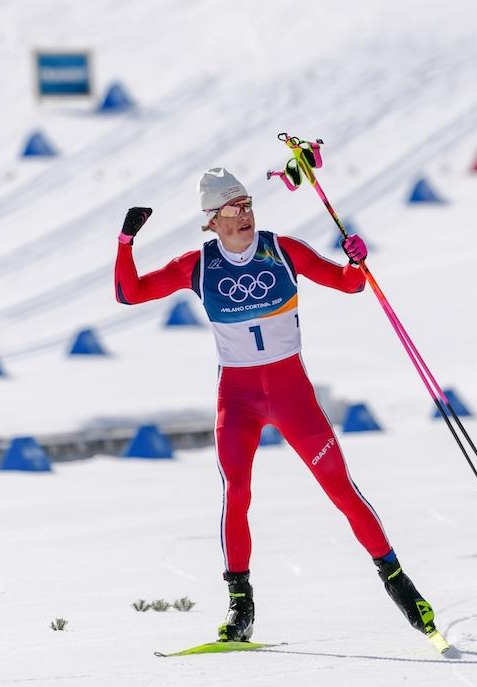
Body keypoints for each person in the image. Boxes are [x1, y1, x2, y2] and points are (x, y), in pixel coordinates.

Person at [113, 167, 439, 646]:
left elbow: (349, 284)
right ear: (212, 220)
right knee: (236, 495)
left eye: (248, 204)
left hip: (292, 395)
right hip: (238, 399)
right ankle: (240, 606)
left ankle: (400, 585)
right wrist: (126, 241)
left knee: (341, 489)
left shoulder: (283, 251)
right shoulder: (197, 266)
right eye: (233, 208)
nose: (245, 214)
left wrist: (357, 260)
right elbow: (129, 293)